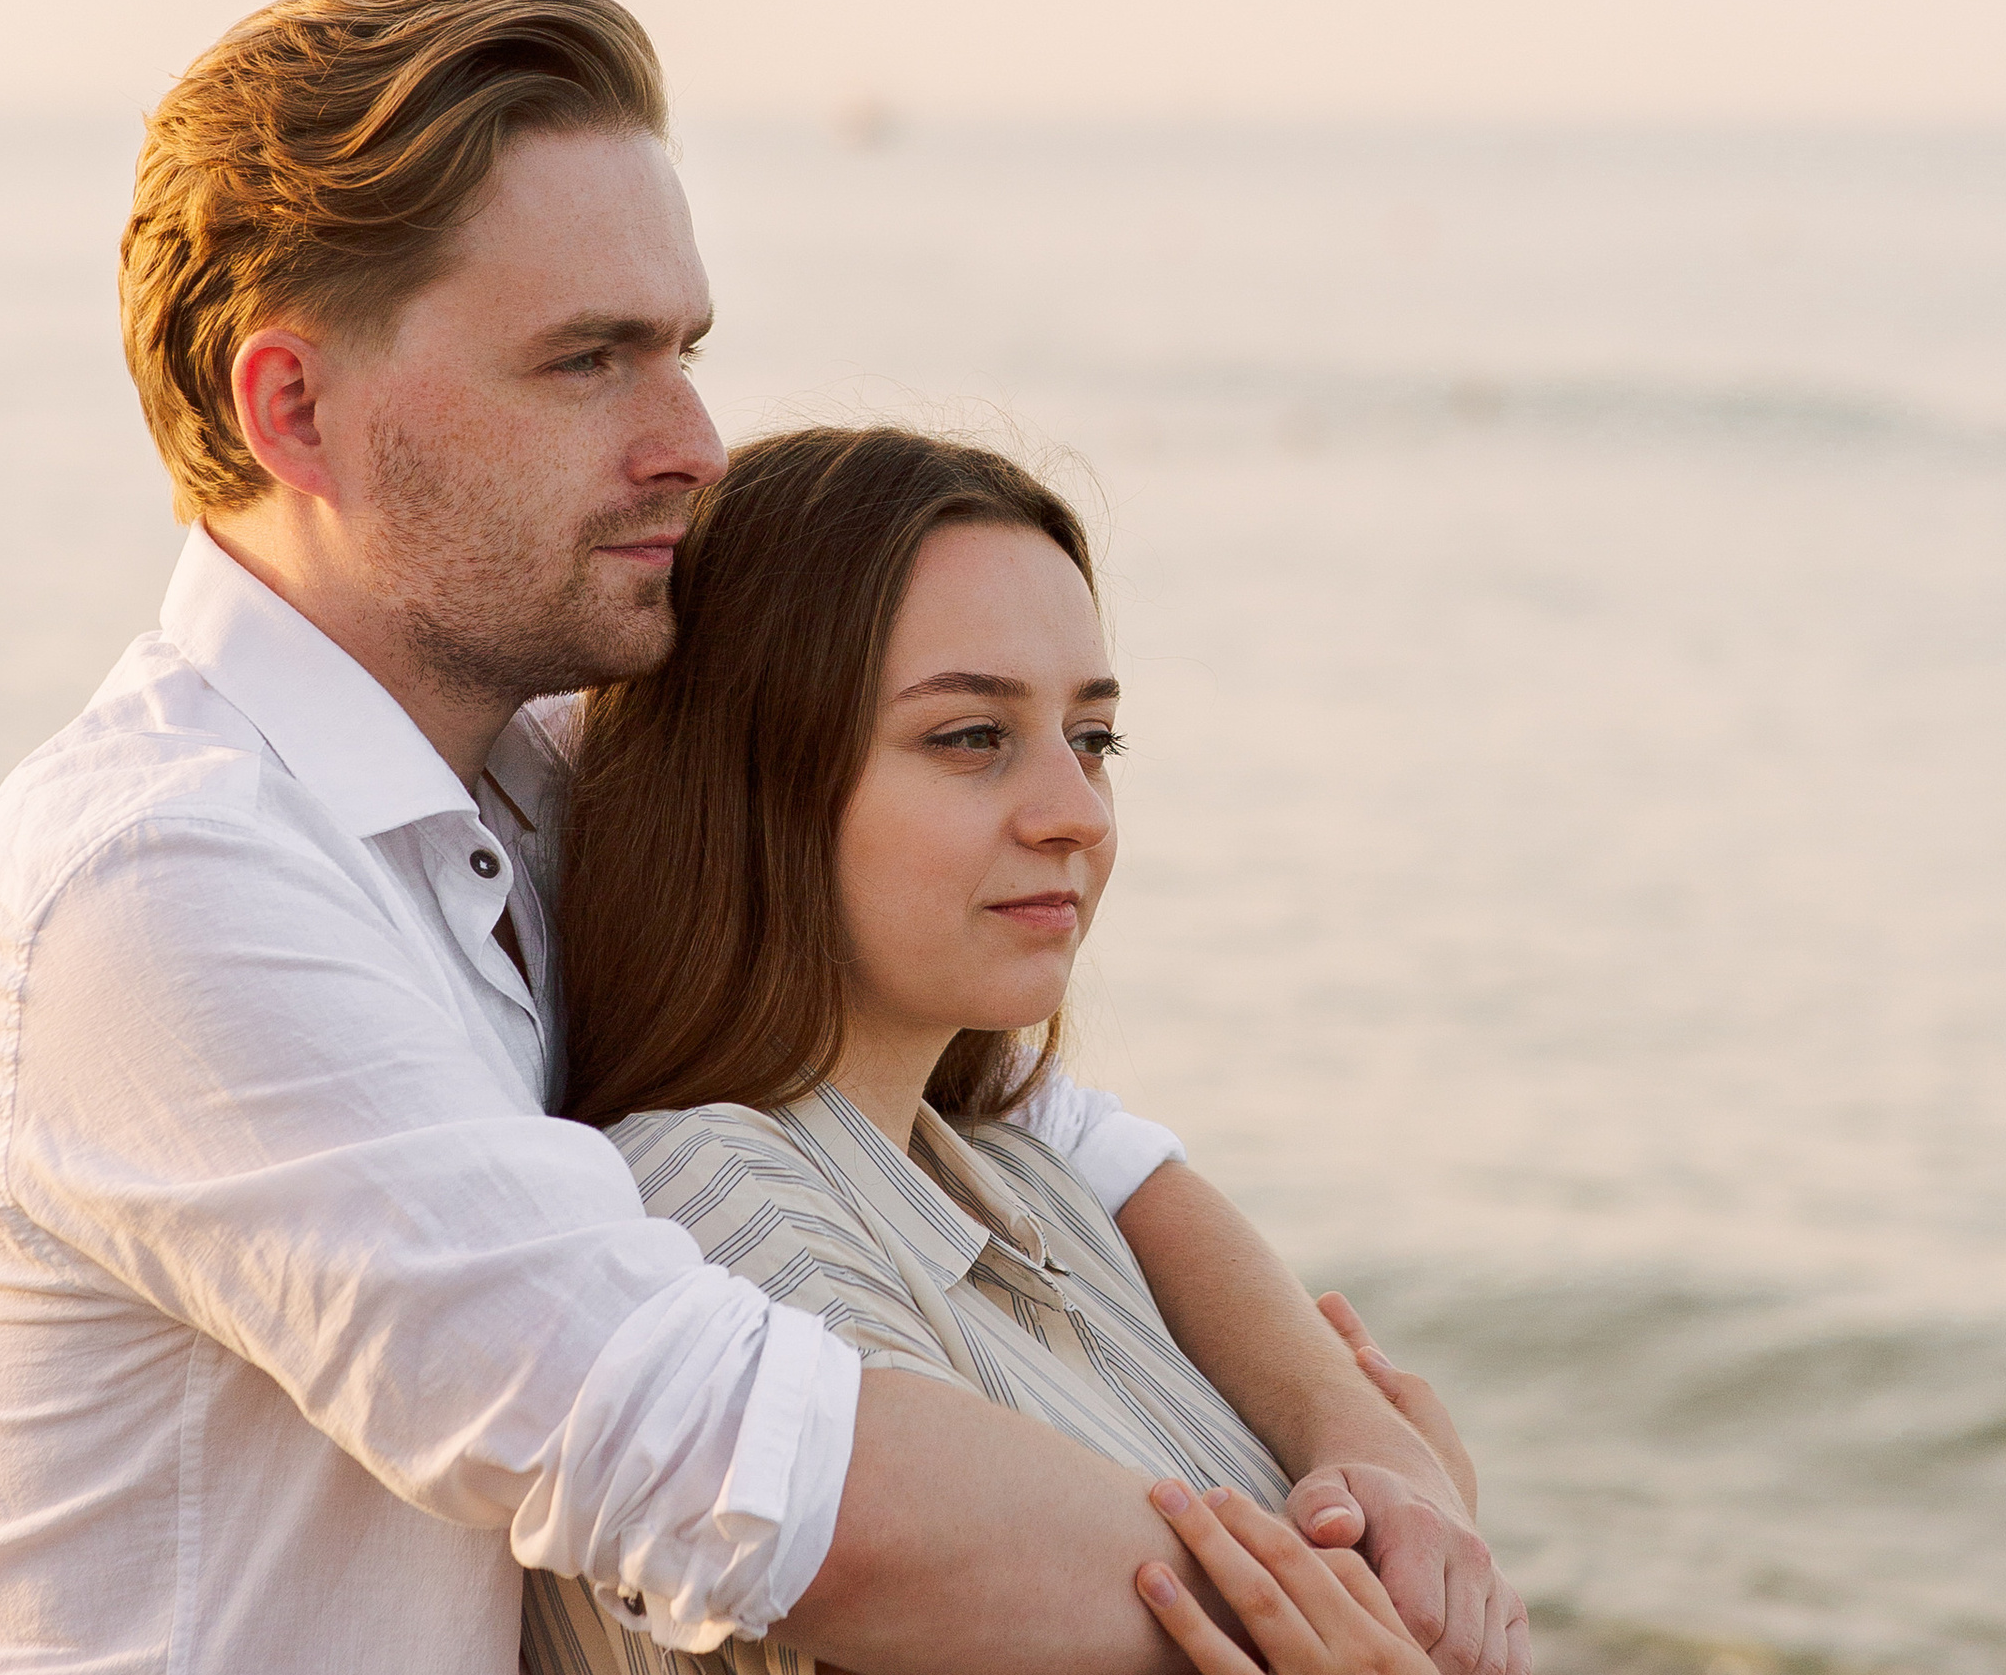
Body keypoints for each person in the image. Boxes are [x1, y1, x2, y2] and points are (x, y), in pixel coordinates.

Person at [0, 0, 1525, 1675]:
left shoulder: (526, 775)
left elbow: (1080, 1142)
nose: (694, 442)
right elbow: (723, 1459)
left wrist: (1369, 1451)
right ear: (295, 408)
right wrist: (1332, 1620)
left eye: (684, 351)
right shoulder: (163, 880)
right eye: (591, 360)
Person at [518, 423, 1510, 1675]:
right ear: (747, 775)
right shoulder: (712, 1207)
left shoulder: (1027, 1186)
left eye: (1092, 739)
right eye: (971, 737)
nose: (1075, 814)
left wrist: (1388, 1469)